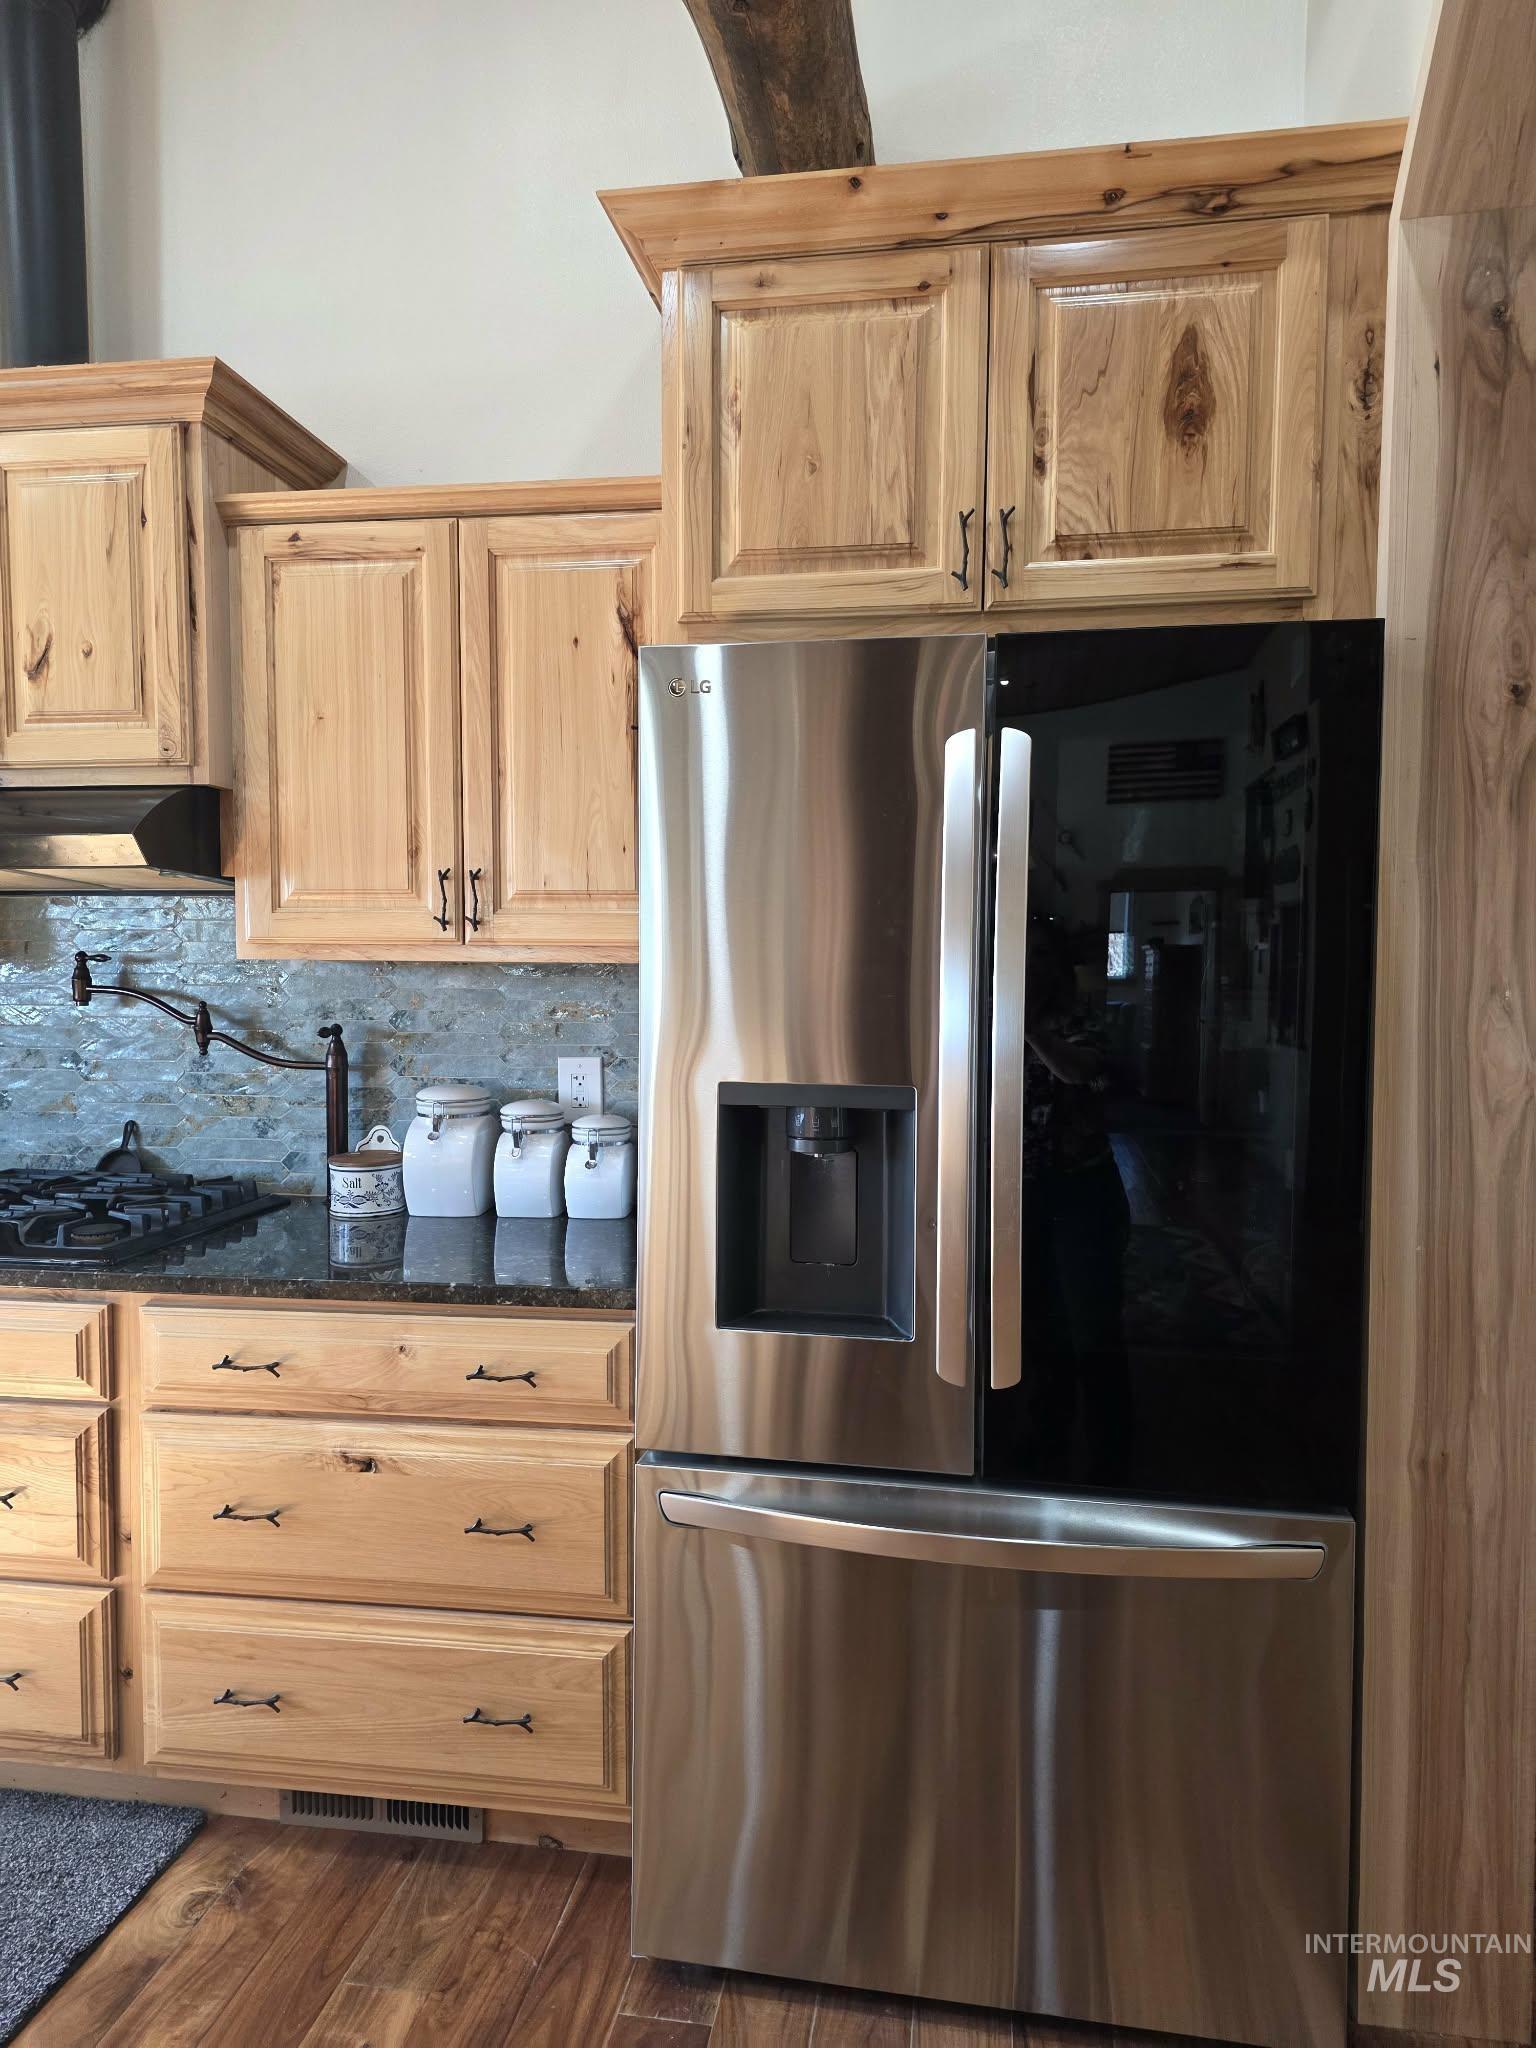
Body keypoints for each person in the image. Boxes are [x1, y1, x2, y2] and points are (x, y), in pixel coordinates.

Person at [997, 918, 1133, 1487]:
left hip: (1084, 1193)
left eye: (1038, 958)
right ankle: (1048, 1438)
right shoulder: (991, 1023)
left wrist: (1024, 1026)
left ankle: (1111, 1456)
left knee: (1092, 1327)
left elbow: (1082, 1072)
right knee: (1037, 1324)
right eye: (1019, 958)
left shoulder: (1079, 1022)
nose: (1030, 968)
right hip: (1019, 1194)